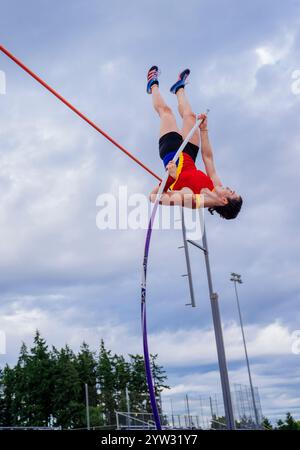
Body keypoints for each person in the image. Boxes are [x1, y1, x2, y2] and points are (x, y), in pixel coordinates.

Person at [147, 66, 243, 219]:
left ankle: (152, 84)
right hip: (189, 155)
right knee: (190, 116)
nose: (229, 187)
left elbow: (153, 197)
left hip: (173, 154)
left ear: (224, 200)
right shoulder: (216, 185)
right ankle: (179, 88)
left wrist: (171, 178)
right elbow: (208, 158)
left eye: (231, 192)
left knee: (167, 112)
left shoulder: (191, 199)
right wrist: (204, 130)